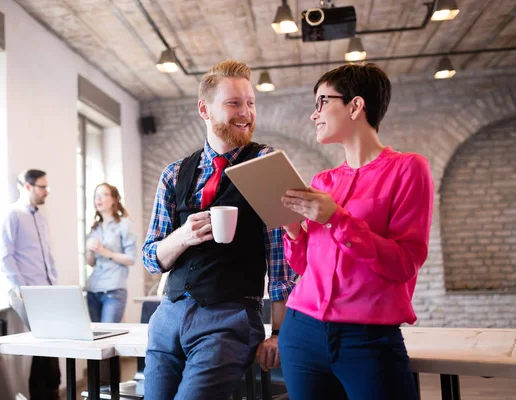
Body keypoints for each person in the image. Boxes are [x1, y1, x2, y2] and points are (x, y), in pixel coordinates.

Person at [141, 59, 297, 400]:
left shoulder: (266, 164)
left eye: (251, 103)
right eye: (234, 103)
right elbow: (151, 258)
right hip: (168, 317)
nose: (246, 112)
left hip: (230, 318)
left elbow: (282, 264)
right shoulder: (174, 174)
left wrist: (279, 333)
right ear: (205, 109)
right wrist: (182, 237)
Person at [278, 63, 434, 400]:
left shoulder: (408, 169)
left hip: (368, 338)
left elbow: (404, 263)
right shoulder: (324, 181)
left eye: (322, 101)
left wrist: (336, 219)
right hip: (301, 332)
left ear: (355, 105)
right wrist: (292, 231)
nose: (313, 114)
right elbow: (307, 267)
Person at [0, 169, 60, 400]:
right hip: (25, 292)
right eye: (42, 187)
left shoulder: (41, 218)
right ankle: (47, 393)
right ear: (27, 187)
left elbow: (47, 256)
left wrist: (53, 285)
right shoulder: (13, 215)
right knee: (46, 341)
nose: (47, 192)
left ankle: (49, 392)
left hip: (46, 291)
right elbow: (5, 256)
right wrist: (22, 288)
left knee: (49, 342)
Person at [85, 183, 136, 323]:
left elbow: (131, 259)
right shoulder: (94, 228)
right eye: (96, 196)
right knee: (96, 339)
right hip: (93, 289)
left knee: (108, 337)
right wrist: (90, 250)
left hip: (114, 290)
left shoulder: (125, 224)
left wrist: (105, 252)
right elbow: (90, 263)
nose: (98, 199)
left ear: (114, 199)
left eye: (104, 195)